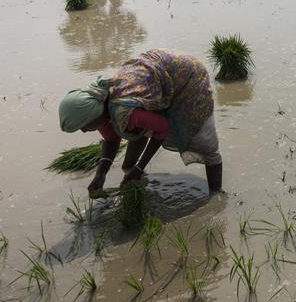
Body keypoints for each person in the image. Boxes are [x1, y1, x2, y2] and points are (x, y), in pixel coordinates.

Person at [58, 48, 222, 195]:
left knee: (203, 140)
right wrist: (101, 174)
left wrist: (139, 168)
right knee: (136, 132)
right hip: (159, 74)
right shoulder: (100, 105)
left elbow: (163, 128)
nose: (84, 131)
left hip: (187, 75)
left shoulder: (125, 111)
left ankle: (217, 196)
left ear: (91, 116)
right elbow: (110, 139)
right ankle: (132, 171)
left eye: (83, 126)